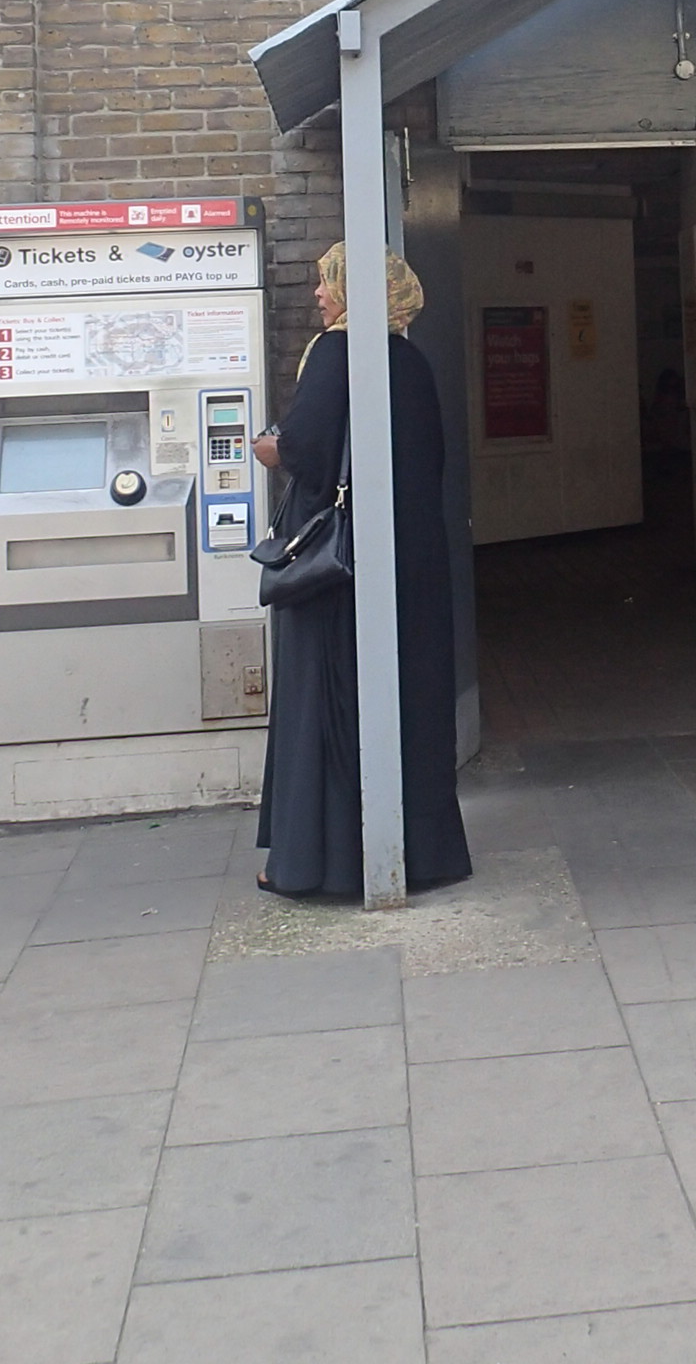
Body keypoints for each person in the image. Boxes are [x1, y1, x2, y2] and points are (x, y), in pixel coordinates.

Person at [249, 240, 472, 898]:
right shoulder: (411, 360)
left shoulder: (337, 352)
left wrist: (273, 449)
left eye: (328, 282)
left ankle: (317, 861)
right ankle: (422, 855)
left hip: (337, 573)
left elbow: (309, 450)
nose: (318, 294)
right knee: (407, 704)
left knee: (329, 703)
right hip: (412, 562)